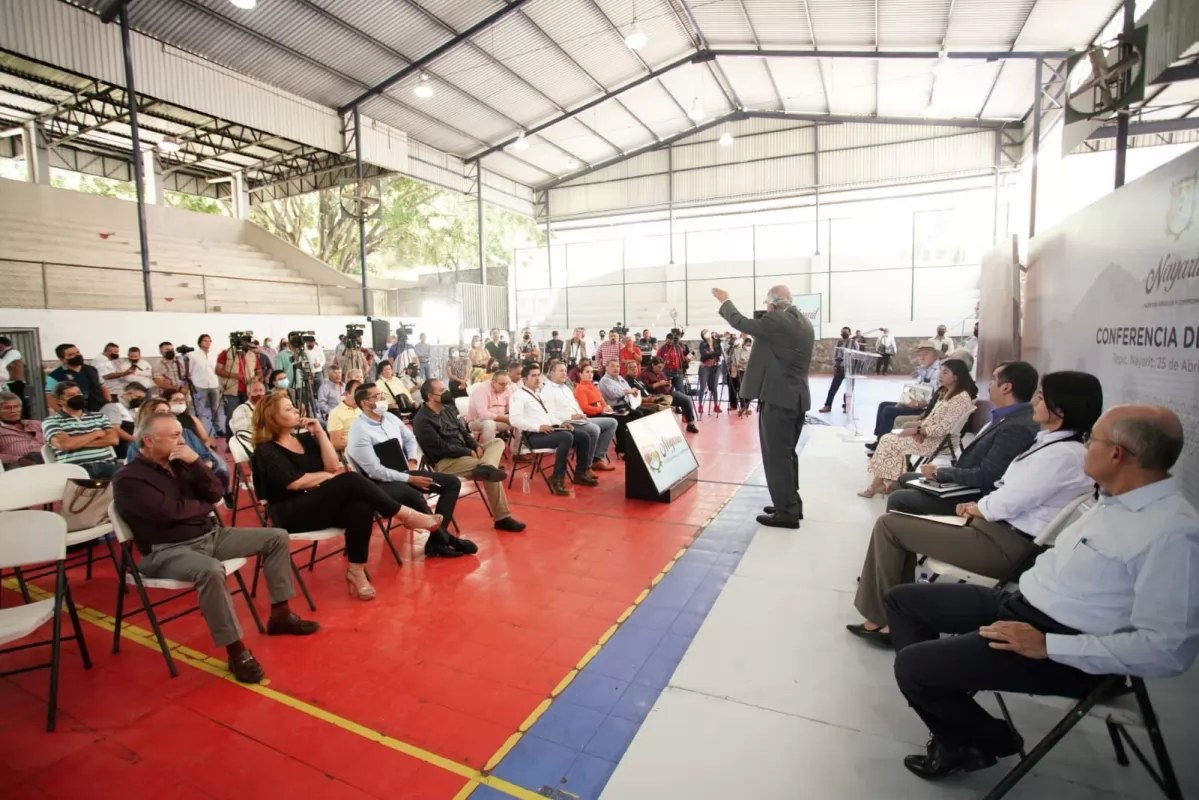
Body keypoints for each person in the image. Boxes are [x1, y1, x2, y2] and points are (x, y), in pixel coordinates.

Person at [885, 404, 1198, 781]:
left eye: (1090, 440)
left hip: (1062, 648)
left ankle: (983, 737)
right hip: (1022, 607)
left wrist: (1048, 645)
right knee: (903, 601)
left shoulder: (1171, 533)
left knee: (913, 667)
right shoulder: (1113, 500)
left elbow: (1168, 650)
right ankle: (953, 720)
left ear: (1117, 454)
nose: (1084, 448)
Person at [848, 371, 1103, 645]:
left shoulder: (1062, 455)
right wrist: (981, 507)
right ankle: (892, 613)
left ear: (1060, 409)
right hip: (997, 531)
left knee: (889, 526)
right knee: (897, 523)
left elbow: (1007, 500)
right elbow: (1011, 488)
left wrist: (976, 508)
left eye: (1041, 397)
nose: (1034, 403)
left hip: (1005, 544)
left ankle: (886, 621)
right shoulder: (1054, 444)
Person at [113, 413, 318, 684]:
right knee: (211, 570)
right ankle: (236, 651)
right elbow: (169, 514)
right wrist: (204, 507)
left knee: (276, 537)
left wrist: (196, 462)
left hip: (209, 535)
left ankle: (280, 615)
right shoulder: (129, 478)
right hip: (166, 550)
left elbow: (215, 493)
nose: (181, 440)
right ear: (149, 440)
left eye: (181, 433)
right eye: (174, 435)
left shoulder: (181, 462)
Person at [251, 392, 406, 601]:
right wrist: (325, 476)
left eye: (293, 407)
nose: (296, 411)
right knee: (350, 479)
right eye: (288, 409)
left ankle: (356, 569)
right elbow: (295, 482)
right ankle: (404, 514)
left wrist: (320, 434)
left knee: (360, 506)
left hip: (316, 503)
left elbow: (333, 467)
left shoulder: (305, 438)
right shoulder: (265, 450)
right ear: (271, 417)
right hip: (288, 513)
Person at [886, 361, 1041, 516]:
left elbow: (987, 475)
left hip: (973, 495)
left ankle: (902, 532)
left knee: (898, 498)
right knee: (905, 478)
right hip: (964, 481)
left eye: (993, 379)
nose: (989, 384)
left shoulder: (1016, 427)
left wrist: (941, 473)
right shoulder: (1006, 418)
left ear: (1006, 387)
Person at [714, 285, 813, 528]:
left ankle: (786, 513)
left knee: (776, 456)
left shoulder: (776, 321)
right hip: (796, 397)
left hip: (779, 399)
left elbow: (741, 322)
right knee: (787, 454)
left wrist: (726, 300)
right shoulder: (802, 321)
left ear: (772, 304)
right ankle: (790, 502)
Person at [346, 383, 474, 558]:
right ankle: (448, 540)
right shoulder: (359, 431)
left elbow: (410, 439)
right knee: (414, 495)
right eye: (376, 397)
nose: (382, 399)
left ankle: (436, 542)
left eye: (382, 394)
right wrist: (409, 479)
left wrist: (412, 460)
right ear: (364, 403)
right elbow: (375, 471)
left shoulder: (390, 418)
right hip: (379, 484)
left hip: (403, 472)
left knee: (451, 483)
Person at [414, 379, 525, 533]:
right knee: (490, 473)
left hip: (465, 453)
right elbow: (441, 448)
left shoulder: (447, 409)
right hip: (446, 462)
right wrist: (468, 451)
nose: (446, 392)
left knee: (497, 442)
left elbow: (464, 432)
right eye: (441, 390)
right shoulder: (422, 420)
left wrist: (475, 446)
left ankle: (486, 466)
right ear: (430, 396)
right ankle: (502, 517)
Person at [860, 359, 978, 497]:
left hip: (940, 442)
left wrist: (918, 430)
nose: (940, 375)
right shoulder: (947, 393)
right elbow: (932, 419)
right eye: (940, 371)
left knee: (889, 440)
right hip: (930, 436)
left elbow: (943, 428)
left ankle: (881, 484)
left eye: (945, 372)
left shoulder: (959, 400)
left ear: (956, 376)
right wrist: (920, 429)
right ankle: (889, 482)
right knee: (890, 439)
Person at [509, 363, 597, 496]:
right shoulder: (518, 396)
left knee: (583, 436)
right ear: (524, 379)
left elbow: (549, 414)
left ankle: (580, 473)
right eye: (533, 376)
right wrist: (538, 427)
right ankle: (557, 477)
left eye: (539, 375)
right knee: (566, 437)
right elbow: (514, 420)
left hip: (548, 430)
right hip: (532, 436)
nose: (538, 378)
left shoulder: (538, 395)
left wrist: (561, 423)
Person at [867, 341, 943, 453]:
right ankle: (880, 439)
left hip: (925, 409)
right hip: (917, 403)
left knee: (889, 411)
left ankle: (884, 446)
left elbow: (936, 395)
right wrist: (908, 396)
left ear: (935, 355)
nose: (921, 357)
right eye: (919, 354)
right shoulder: (924, 369)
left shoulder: (939, 371)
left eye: (925, 354)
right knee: (883, 405)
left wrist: (917, 403)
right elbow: (919, 389)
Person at [543, 361, 616, 471]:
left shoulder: (565, 388)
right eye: (561, 371)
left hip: (579, 420)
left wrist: (581, 415)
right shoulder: (547, 391)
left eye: (565, 371)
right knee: (594, 429)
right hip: (565, 424)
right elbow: (550, 414)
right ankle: (586, 466)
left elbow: (576, 406)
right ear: (552, 373)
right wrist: (572, 416)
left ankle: (597, 458)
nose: (564, 374)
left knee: (612, 423)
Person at [42, 382, 120, 478]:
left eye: (79, 393)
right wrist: (96, 433)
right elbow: (65, 445)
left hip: (106, 465)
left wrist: (75, 442)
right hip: (74, 469)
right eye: (71, 395)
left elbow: (113, 440)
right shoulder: (51, 421)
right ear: (59, 401)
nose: (77, 396)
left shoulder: (99, 416)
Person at [582, 362, 640, 459]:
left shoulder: (592, 386)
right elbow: (585, 408)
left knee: (637, 415)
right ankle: (619, 451)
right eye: (587, 372)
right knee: (622, 419)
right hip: (595, 414)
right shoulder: (582, 388)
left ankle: (634, 446)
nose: (590, 374)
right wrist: (603, 408)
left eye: (592, 372)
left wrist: (605, 407)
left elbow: (601, 400)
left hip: (608, 409)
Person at [46, 343, 109, 413]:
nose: (76, 355)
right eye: (71, 355)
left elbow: (104, 388)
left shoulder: (92, 370)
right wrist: (63, 414)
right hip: (75, 414)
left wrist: (108, 404)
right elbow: (50, 398)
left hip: (99, 411)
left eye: (77, 352)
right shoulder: (55, 376)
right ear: (62, 359)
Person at [643, 357, 698, 432]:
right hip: (657, 396)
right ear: (653, 365)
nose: (661, 369)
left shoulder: (661, 373)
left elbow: (666, 382)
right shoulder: (645, 374)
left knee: (686, 400)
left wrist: (668, 384)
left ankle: (690, 424)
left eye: (662, 367)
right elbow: (646, 388)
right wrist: (659, 384)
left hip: (668, 393)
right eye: (659, 367)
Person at [215, 340, 258, 435]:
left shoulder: (252, 355)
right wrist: (234, 375)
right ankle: (229, 439)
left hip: (248, 391)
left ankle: (248, 438)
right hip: (232, 390)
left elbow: (258, 371)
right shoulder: (226, 353)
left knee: (249, 415)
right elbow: (218, 370)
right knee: (232, 416)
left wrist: (256, 378)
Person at [100, 381, 146, 460]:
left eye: (142, 398)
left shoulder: (133, 409)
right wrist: (136, 440)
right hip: (121, 445)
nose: (140, 400)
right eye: (138, 397)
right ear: (128, 393)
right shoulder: (113, 406)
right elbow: (115, 429)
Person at [466, 369, 512, 444]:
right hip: (477, 421)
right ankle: (490, 451)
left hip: (500, 420)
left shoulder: (507, 389)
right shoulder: (482, 390)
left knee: (518, 421)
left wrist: (513, 416)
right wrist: (504, 418)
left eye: (507, 384)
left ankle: (517, 450)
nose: (505, 387)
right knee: (489, 424)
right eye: (502, 384)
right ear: (493, 382)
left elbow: (510, 407)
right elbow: (483, 415)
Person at [0, 389, 44, 468]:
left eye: (16, 407)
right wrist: (18, 459)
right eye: (7, 408)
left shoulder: (36, 424)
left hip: (48, 460)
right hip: (19, 467)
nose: (13, 411)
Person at [190, 334, 223, 437]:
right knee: (200, 410)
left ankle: (217, 428)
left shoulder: (213, 355)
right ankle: (200, 431)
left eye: (209, 341)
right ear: (200, 342)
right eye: (205, 341)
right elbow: (190, 370)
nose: (208, 343)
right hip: (200, 385)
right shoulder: (193, 355)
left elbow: (216, 369)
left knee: (216, 408)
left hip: (213, 384)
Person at [818, 327, 853, 413]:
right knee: (833, 388)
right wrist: (835, 365)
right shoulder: (839, 342)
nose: (844, 333)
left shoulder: (853, 343)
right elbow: (835, 354)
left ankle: (846, 406)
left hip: (850, 368)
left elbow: (856, 354)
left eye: (846, 332)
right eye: (842, 332)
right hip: (839, 368)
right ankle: (827, 405)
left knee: (849, 389)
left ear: (849, 333)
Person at [325, 379, 362, 453]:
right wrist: (360, 443)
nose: (358, 398)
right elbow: (335, 444)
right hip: (352, 453)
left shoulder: (362, 409)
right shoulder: (335, 413)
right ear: (346, 393)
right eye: (356, 395)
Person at [152, 342, 189, 408]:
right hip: (166, 396)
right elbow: (159, 382)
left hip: (182, 395)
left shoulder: (180, 362)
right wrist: (177, 391)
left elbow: (186, 377)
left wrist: (185, 388)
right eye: (167, 349)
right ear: (160, 351)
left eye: (172, 349)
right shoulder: (157, 365)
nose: (170, 351)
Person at [0, 337, 28, 417]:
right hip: (9, 382)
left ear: (1, 344)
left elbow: (3, 364)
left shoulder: (13, 352)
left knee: (18, 400)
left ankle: (24, 417)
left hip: (16, 381)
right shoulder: (4, 353)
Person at [697, 329, 723, 413]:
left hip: (715, 367)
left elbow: (719, 353)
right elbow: (704, 356)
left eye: (707, 332)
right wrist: (713, 354)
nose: (706, 334)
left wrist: (711, 354)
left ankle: (716, 406)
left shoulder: (716, 342)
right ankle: (700, 405)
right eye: (704, 333)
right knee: (703, 387)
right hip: (705, 367)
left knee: (714, 387)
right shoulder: (702, 344)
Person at [727, 335, 752, 417]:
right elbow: (738, 362)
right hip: (740, 372)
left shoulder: (752, 351)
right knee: (741, 389)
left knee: (749, 391)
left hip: (749, 372)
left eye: (749, 344)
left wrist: (745, 362)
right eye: (746, 344)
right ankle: (743, 407)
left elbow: (750, 362)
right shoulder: (738, 350)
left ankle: (746, 406)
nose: (747, 345)